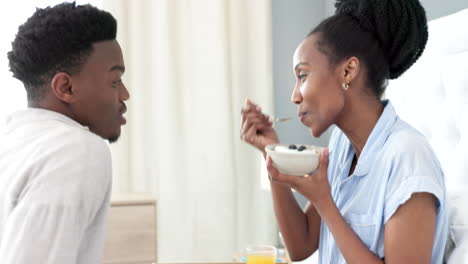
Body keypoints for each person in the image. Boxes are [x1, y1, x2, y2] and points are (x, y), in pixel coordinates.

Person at [240, 0, 447, 263]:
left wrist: (326, 204)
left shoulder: (408, 158)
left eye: (302, 76)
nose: (294, 96)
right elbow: (300, 245)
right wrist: (271, 152)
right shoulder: (341, 147)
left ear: (348, 71)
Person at [0, 2, 129, 264]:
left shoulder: (12, 140)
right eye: (115, 81)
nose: (125, 95)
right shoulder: (76, 150)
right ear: (66, 87)